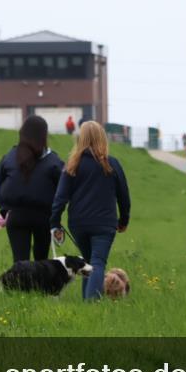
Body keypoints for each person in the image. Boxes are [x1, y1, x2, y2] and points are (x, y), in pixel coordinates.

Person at [50, 121, 131, 300]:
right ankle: (91, 303)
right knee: (97, 263)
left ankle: (87, 303)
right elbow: (124, 196)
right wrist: (123, 220)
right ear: (102, 138)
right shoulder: (112, 164)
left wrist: (55, 222)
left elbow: (60, 197)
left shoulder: (72, 165)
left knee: (88, 263)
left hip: (78, 224)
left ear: (81, 139)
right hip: (104, 224)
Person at [0, 116, 65, 262]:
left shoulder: (8, 157)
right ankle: (39, 284)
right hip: (44, 217)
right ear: (44, 135)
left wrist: (4, 210)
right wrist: (57, 215)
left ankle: (19, 285)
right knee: (41, 261)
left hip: (16, 215)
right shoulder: (54, 161)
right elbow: (63, 189)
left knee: (20, 262)